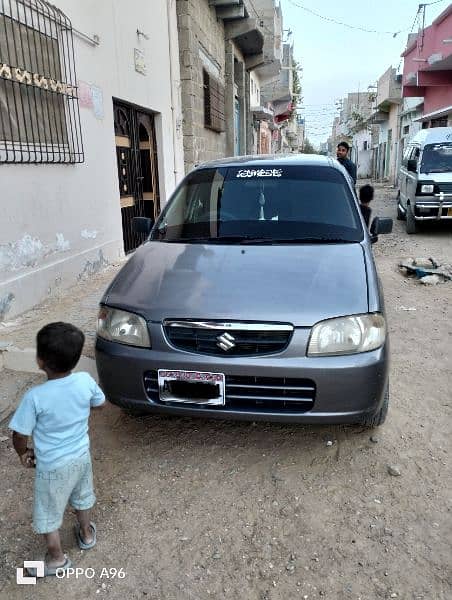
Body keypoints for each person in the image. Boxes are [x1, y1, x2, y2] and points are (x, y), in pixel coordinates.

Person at [9, 322, 105, 577]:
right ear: (75, 359)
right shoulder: (84, 381)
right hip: (81, 457)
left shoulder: (35, 397)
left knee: (48, 513)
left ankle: (57, 560)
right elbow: (99, 403)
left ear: (40, 361)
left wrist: (23, 452)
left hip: (52, 466)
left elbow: (19, 433)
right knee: (82, 495)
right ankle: (86, 534)